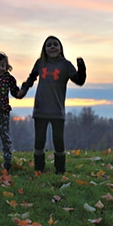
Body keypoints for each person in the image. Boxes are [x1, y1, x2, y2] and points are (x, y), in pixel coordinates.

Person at [18, 36, 86, 174]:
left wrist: (81, 67)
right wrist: (23, 91)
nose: (52, 47)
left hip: (57, 110)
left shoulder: (66, 65)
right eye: (49, 45)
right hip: (41, 109)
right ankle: (39, 170)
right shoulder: (40, 63)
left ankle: (60, 171)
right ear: (44, 49)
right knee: (39, 141)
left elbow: (79, 80)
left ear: (61, 48)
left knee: (58, 142)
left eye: (55, 44)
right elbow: (31, 78)